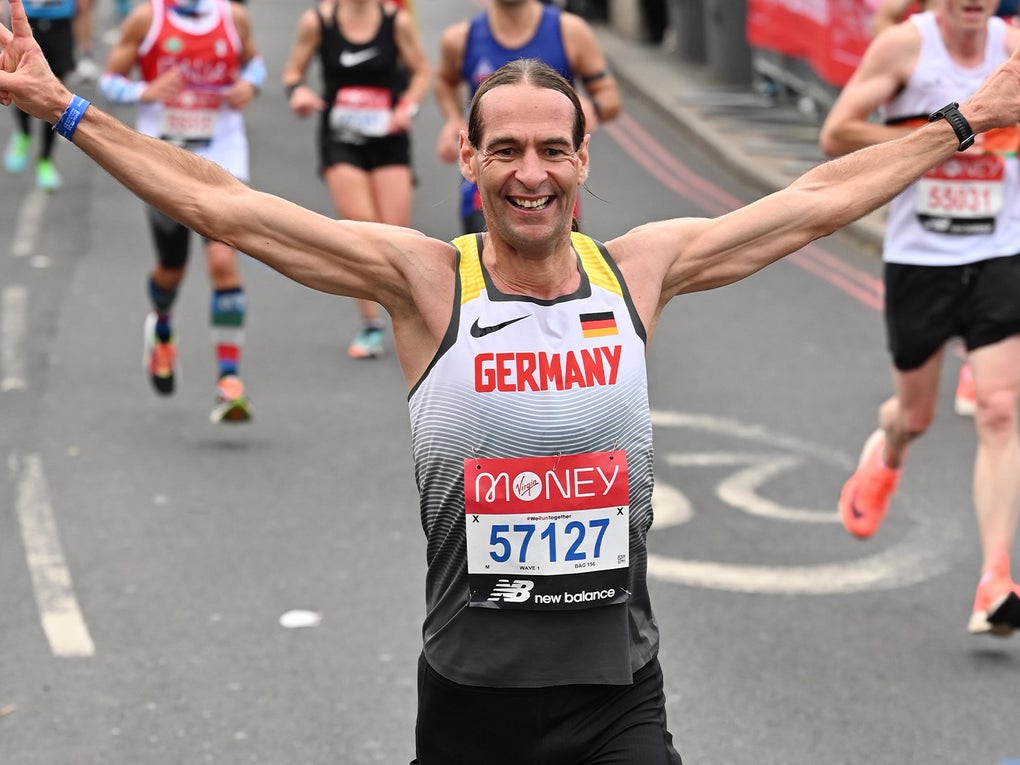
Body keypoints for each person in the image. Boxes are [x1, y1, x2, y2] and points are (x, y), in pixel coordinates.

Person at [9, 0, 1020, 756]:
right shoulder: (424, 283)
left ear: (583, 162)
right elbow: (223, 206)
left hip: (618, 693)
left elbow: (819, 198)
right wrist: (63, 104)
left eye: (551, 151)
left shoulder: (637, 271)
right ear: (469, 160)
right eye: (505, 151)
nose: (530, 173)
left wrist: (967, 117)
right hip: (472, 698)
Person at [820, 0, 1020, 637]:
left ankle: (995, 580)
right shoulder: (906, 47)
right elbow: (838, 133)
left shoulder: (1013, 49)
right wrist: (944, 135)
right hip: (921, 258)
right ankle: (890, 449)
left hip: (1000, 250)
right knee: (916, 416)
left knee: (999, 409)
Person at [96, 0, 265, 423]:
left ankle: (229, 380)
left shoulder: (232, 17)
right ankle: (162, 325)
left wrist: (250, 85)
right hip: (163, 159)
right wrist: (142, 91)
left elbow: (255, 64)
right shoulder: (147, 18)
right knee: (172, 269)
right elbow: (109, 81)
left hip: (222, 153)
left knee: (223, 259)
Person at [282, 0, 431, 360]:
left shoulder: (395, 21)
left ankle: (410, 315)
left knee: (397, 235)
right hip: (341, 140)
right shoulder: (318, 22)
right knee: (362, 230)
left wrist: (406, 107)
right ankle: (371, 324)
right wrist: (297, 92)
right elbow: (293, 71)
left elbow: (422, 71)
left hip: (388, 136)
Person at [434, 0, 620, 233]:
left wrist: (593, 107)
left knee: (557, 255)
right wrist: (453, 119)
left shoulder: (570, 32)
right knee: (486, 256)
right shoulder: (460, 39)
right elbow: (444, 81)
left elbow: (610, 97)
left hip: (552, 187)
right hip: (484, 187)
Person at [2, 0, 77, 190]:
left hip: (61, 21)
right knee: (21, 83)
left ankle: (45, 160)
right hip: (28, 19)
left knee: (55, 95)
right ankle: (24, 133)